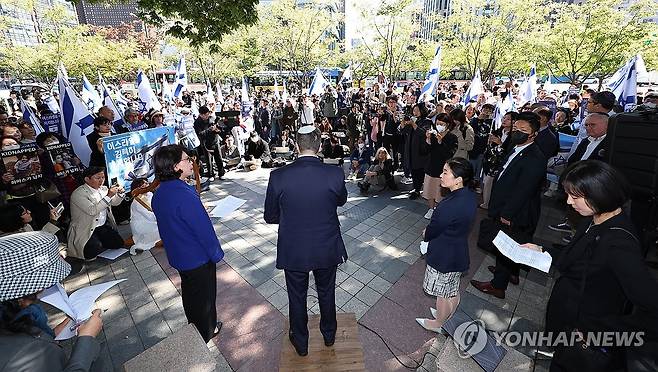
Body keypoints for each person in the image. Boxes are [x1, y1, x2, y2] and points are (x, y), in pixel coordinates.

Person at [521, 161, 658, 371]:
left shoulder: (619, 243)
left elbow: (651, 305)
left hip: (587, 340)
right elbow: (578, 260)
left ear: (600, 194)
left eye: (575, 197)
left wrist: (600, 333)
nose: (568, 202)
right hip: (568, 327)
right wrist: (542, 250)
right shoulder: (593, 218)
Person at [263, 126, 347, 357]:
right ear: (319, 146)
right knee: (327, 292)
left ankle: (301, 342)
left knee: (296, 295)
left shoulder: (278, 176)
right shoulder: (335, 173)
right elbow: (341, 201)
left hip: (294, 247)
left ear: (296, 146)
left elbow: (270, 216)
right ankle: (329, 335)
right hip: (326, 245)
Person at [0, 231, 106, 371]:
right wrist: (86, 339)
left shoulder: (16, 316)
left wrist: (62, 326)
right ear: (23, 296)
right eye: (49, 281)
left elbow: (40, 337)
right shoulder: (23, 354)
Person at [471, 111, 547, 299]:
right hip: (505, 205)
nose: (517, 132)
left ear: (533, 134)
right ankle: (509, 272)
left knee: (506, 246)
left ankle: (498, 285)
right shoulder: (516, 147)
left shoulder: (535, 157)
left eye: (523, 130)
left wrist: (507, 214)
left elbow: (524, 190)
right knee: (509, 245)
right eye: (515, 128)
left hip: (514, 212)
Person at [151, 145, 223, 342]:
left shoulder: (160, 192)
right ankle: (207, 331)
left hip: (179, 254)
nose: (191, 161)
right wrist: (216, 253)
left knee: (191, 295)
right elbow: (203, 230)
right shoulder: (182, 193)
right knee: (206, 298)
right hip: (197, 256)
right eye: (186, 159)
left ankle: (195, 326)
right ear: (175, 166)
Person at [416, 158, 477, 332]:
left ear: (458, 179)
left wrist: (426, 233)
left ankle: (439, 323)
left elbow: (433, 229)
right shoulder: (469, 196)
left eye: (445, 172)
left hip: (444, 254)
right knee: (452, 288)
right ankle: (446, 316)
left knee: (442, 293)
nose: (441, 175)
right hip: (457, 250)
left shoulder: (448, 205)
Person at [67, 167, 125, 260]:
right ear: (87, 179)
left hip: (102, 226)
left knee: (118, 244)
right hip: (86, 228)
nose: (101, 180)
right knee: (91, 254)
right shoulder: (78, 194)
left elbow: (114, 203)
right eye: (98, 178)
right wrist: (109, 195)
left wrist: (119, 194)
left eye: (103, 177)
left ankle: (100, 240)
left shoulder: (104, 189)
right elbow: (92, 210)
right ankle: (93, 243)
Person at [421, 113, 458, 219]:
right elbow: (424, 151)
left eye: (442, 124)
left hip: (443, 170)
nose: (439, 126)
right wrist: (427, 140)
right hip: (430, 167)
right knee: (429, 190)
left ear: (447, 124)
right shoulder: (433, 134)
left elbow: (449, 154)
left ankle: (438, 209)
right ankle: (431, 209)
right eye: (437, 123)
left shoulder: (452, 137)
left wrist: (441, 142)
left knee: (440, 193)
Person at [129, 178, 161, 255]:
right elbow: (149, 216)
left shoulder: (149, 194)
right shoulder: (137, 201)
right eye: (143, 184)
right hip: (143, 224)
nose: (146, 185)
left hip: (152, 220)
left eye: (147, 183)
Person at [194, 106, 225, 181]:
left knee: (219, 158)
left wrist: (217, 130)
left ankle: (221, 173)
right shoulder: (197, 122)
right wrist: (210, 129)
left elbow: (221, 128)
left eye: (207, 114)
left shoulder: (213, 118)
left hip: (215, 140)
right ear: (201, 115)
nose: (206, 116)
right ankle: (211, 174)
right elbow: (200, 134)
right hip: (205, 143)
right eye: (204, 115)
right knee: (208, 160)